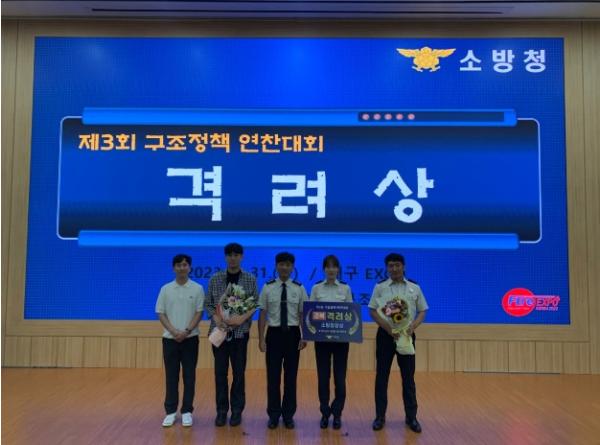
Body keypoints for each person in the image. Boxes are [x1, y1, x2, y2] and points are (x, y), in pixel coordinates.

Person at [369, 253, 428, 433]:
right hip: (386, 336)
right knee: (382, 377)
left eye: (397, 265)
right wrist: (388, 329)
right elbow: (372, 310)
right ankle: (380, 417)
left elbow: (423, 310)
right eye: (390, 266)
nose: (394, 269)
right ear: (386, 268)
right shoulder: (380, 287)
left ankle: (411, 417)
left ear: (403, 266)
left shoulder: (414, 287)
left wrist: (413, 327)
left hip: (406, 337)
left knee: (408, 378)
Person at [205, 243, 258, 427]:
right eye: (229, 255)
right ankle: (221, 411)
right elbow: (208, 304)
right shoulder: (216, 278)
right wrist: (217, 319)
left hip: (240, 334)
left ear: (241, 257)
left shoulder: (250, 279)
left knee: (239, 374)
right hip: (219, 333)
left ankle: (236, 411)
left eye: (236, 254)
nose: (233, 258)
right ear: (225, 257)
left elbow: (254, 304)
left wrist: (240, 319)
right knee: (220, 374)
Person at [258, 251, 307, 429]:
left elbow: (303, 314)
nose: (284, 267)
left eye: (288, 264)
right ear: (276, 266)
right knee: (273, 377)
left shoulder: (299, 288)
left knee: (291, 377)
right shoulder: (267, 287)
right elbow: (262, 314)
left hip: (293, 335)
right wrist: (261, 339)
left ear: (292, 267)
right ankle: (273, 415)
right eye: (281, 264)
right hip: (274, 334)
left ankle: (288, 415)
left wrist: (305, 335)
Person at [155, 254, 205, 428]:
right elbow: (160, 313)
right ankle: (170, 412)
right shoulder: (166, 289)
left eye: (185, 265)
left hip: (190, 339)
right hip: (170, 339)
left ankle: (187, 411)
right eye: (178, 265)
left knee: (189, 376)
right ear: (173, 268)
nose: (182, 268)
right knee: (171, 375)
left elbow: (199, 312)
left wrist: (186, 331)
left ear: (190, 267)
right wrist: (174, 331)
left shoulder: (197, 288)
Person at [310, 254, 353, 430]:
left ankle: (337, 413)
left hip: (341, 341)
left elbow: (350, 314)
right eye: (328, 266)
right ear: (324, 269)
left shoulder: (345, 288)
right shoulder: (316, 288)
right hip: (322, 340)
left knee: (340, 378)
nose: (331, 270)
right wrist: (324, 318)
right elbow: (311, 313)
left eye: (334, 266)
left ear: (338, 269)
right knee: (323, 377)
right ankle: (325, 412)